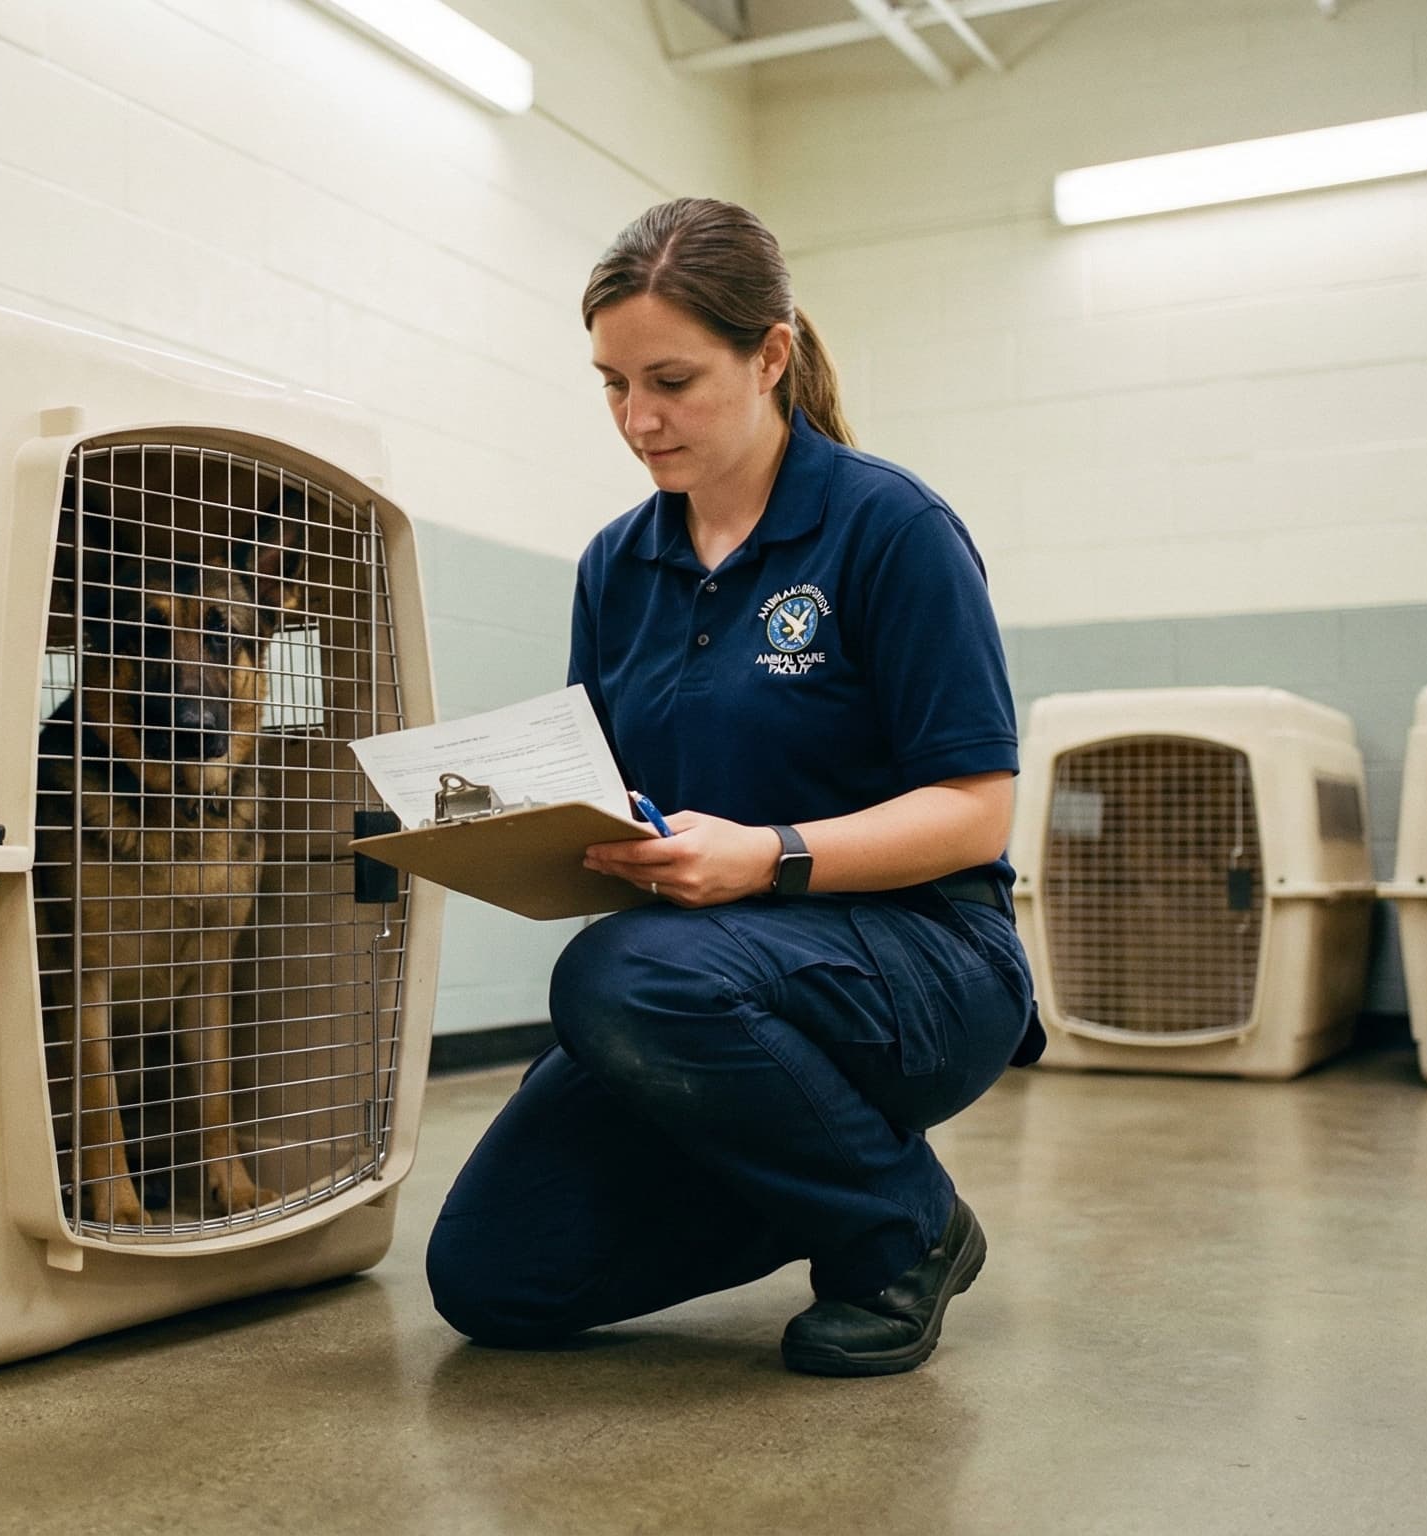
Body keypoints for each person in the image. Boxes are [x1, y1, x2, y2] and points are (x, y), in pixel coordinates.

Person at [423, 197, 1043, 1378]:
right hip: (695, 976)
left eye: (670, 379)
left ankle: (902, 1230)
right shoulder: (619, 562)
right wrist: (501, 828)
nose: (638, 419)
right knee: (494, 1278)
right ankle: (813, 1179)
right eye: (610, 384)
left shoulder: (888, 528)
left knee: (619, 975)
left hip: (922, 960)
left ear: (770, 355)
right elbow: (598, 784)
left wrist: (767, 856)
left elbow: (975, 810)